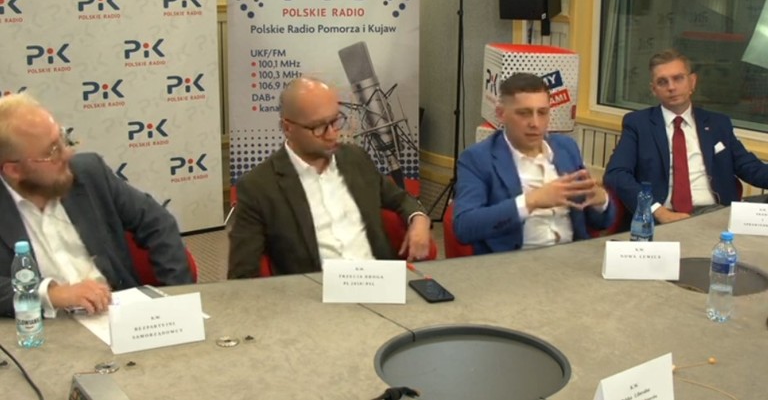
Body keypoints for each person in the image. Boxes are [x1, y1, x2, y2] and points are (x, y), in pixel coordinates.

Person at [0, 94, 193, 318]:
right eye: (51, 152)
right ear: (14, 170)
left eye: (62, 138)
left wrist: (176, 300)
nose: (67, 153)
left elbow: (158, 224)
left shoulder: (89, 173)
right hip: (44, 328)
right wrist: (50, 294)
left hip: (119, 315)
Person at [228, 77, 431, 278]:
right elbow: (242, 276)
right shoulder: (259, 186)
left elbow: (400, 198)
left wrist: (419, 218)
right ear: (288, 128)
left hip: (379, 280)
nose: (332, 134)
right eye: (318, 127)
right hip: (317, 291)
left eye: (335, 121)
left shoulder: (356, 159)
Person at [453, 73, 615, 254]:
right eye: (524, 113)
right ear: (501, 114)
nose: (535, 123)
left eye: (542, 113)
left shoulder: (566, 148)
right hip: (515, 262)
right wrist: (532, 201)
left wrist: (600, 200)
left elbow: (601, 223)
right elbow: (465, 227)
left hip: (572, 257)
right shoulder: (478, 159)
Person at [603, 49, 768, 223]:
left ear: (692, 82)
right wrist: (657, 211)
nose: (671, 87)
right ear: (654, 90)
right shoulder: (638, 124)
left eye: (678, 78)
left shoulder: (718, 124)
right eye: (662, 82)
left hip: (715, 215)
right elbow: (616, 174)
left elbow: (751, 168)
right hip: (662, 217)